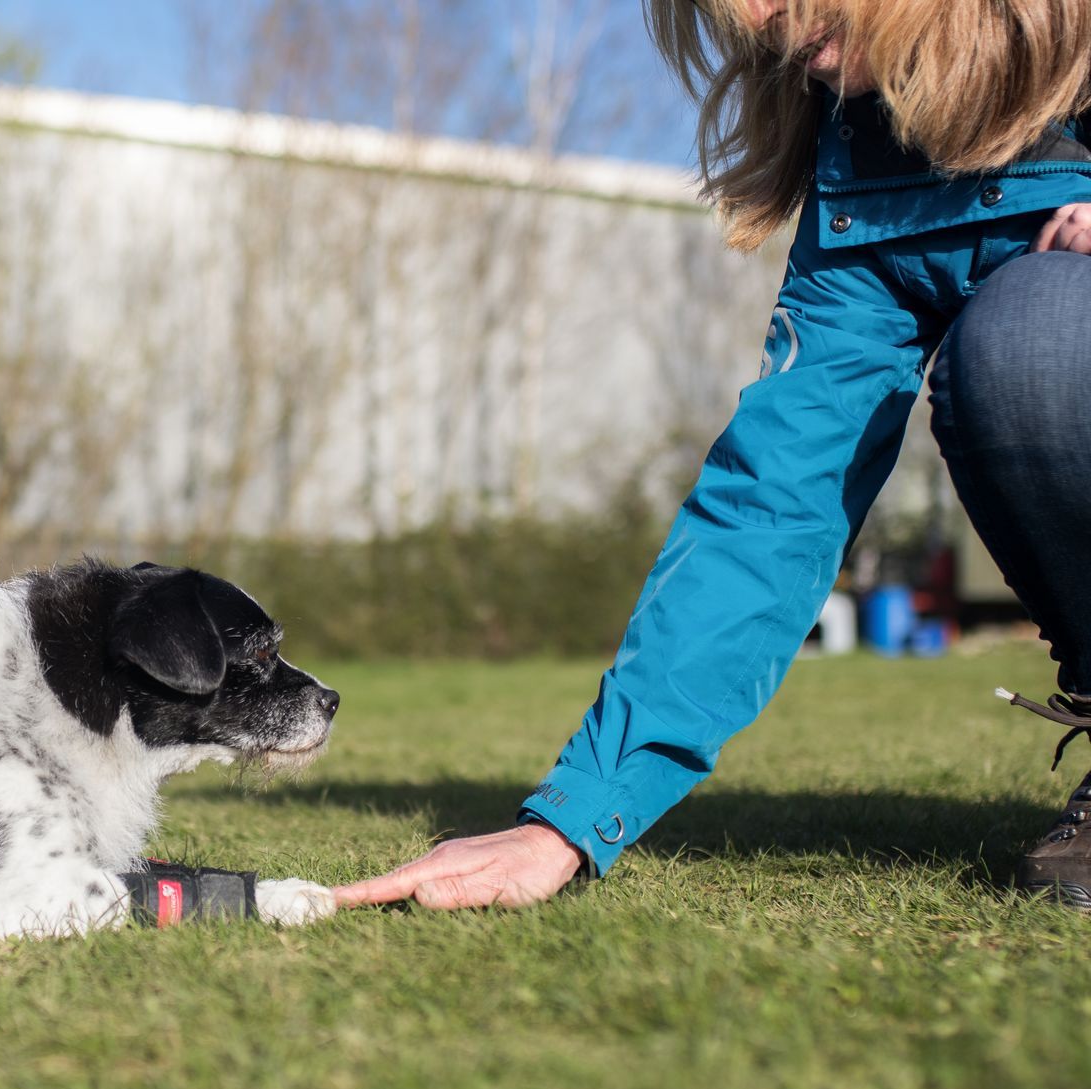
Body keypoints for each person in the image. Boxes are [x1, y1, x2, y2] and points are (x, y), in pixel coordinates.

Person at [334, 0, 1091, 913]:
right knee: (1017, 350)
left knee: (1046, 332)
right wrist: (571, 820)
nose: (763, 17)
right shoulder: (862, 181)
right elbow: (772, 505)